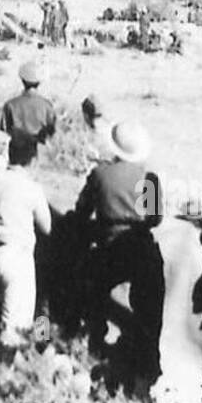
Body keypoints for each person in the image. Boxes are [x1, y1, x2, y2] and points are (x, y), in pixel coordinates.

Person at [74, 101, 165, 387]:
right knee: (151, 306)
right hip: (140, 246)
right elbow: (155, 219)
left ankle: (95, 345)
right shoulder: (148, 178)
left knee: (92, 291)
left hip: (108, 247)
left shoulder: (99, 174)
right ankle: (148, 362)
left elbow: (81, 212)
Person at [0, 157, 51, 351]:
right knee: (16, 331)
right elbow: (47, 227)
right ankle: (9, 369)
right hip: (16, 257)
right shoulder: (32, 188)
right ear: (33, 160)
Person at [0, 61, 57, 167]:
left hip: (15, 153)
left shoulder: (10, 105)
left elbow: (3, 132)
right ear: (39, 83)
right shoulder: (47, 106)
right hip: (38, 155)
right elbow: (52, 132)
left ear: (22, 80)